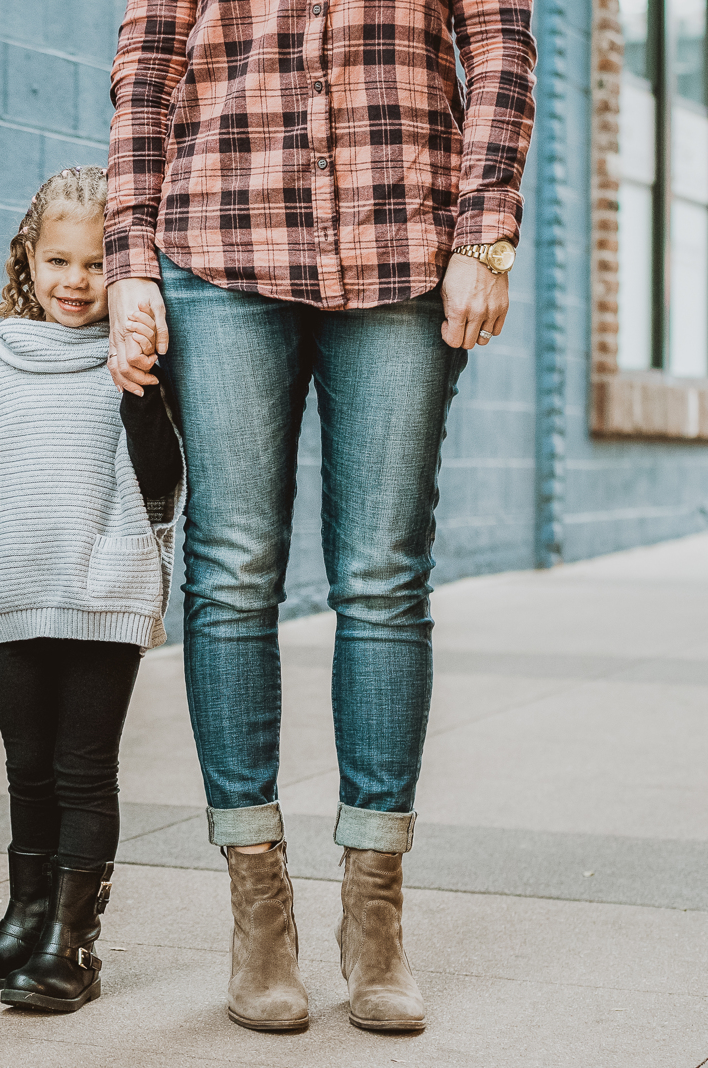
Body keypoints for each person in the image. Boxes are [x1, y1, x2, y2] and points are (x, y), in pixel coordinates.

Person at [105, 0, 536, 1033]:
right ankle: (258, 904)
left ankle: (373, 909)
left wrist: (485, 233)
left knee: (384, 576)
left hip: (400, 243)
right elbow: (146, 66)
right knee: (233, 570)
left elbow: (499, 47)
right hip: (218, 242)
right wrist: (129, 263)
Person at [0, 167, 185, 1013]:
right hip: (13, 597)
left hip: (103, 596)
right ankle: (24, 921)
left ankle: (72, 944)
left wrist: (141, 389)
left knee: (83, 772)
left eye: (94, 266)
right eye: (58, 262)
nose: (75, 283)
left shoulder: (139, 366)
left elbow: (160, 483)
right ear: (28, 262)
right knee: (26, 770)